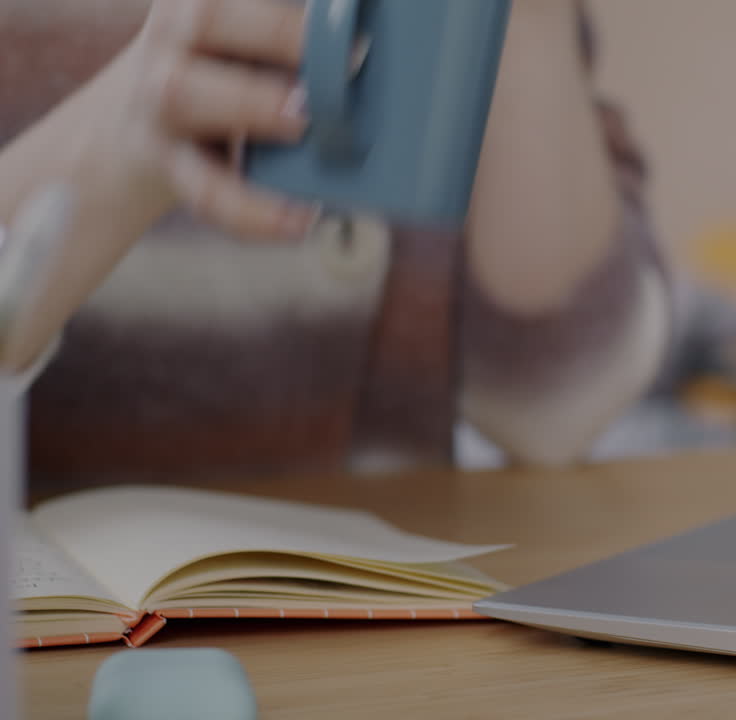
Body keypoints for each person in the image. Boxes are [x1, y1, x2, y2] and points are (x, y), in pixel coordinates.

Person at [0, 0, 669, 483]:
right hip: (60, 651)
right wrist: (110, 150)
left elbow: (557, 407)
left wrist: (525, 18)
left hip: (395, 635)